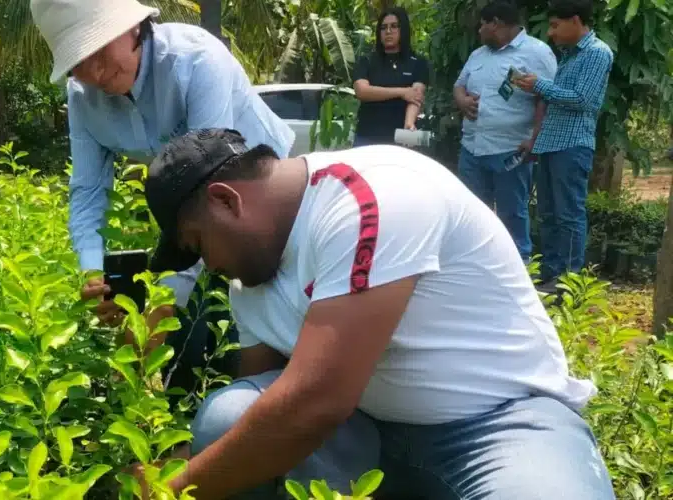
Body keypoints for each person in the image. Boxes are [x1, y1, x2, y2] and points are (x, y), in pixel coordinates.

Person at [138, 128, 614, 499]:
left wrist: (168, 494)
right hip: (366, 429)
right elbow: (260, 415)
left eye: (199, 245)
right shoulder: (250, 278)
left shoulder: (370, 197)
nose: (212, 268)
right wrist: (179, 462)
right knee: (228, 416)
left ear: (226, 199)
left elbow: (312, 404)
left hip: (496, 425)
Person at [29, 0, 296, 394]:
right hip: (197, 204)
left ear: (133, 28)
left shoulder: (196, 61)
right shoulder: (83, 98)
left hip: (261, 198)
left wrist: (156, 311)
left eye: (100, 49)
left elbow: (209, 194)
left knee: (260, 326)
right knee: (190, 344)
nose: (96, 72)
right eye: (79, 61)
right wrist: (93, 273)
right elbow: (88, 192)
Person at [513, 0, 613, 289]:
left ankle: (569, 279)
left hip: (573, 145)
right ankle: (551, 271)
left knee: (569, 214)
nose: (552, 33)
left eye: (556, 25)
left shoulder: (597, 53)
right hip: (551, 144)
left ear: (576, 20)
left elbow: (582, 100)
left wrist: (539, 85)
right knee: (548, 212)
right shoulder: (568, 56)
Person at [453, 1, 557, 263]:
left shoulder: (537, 52)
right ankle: (475, 267)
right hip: (472, 147)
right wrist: (463, 101)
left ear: (495, 24)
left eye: (482, 25)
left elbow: (546, 99)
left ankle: (519, 269)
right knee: (472, 213)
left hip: (510, 150)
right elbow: (459, 86)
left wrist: (535, 139)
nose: (479, 31)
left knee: (512, 213)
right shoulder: (478, 55)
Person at [350, 7, 430, 147]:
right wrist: (402, 92)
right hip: (367, 138)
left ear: (403, 30)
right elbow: (362, 91)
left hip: (399, 140)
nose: (388, 31)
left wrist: (409, 123)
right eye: (383, 27)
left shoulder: (418, 63)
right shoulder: (367, 60)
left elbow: (415, 96)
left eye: (394, 26)